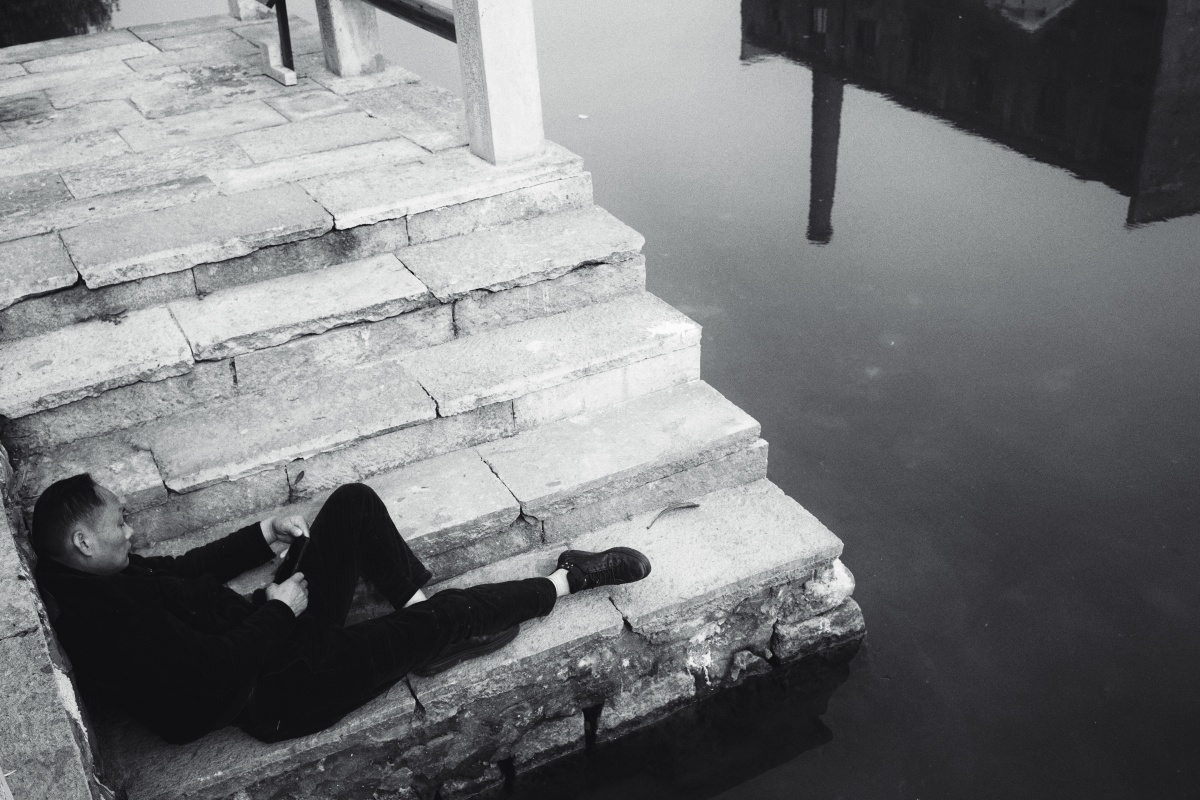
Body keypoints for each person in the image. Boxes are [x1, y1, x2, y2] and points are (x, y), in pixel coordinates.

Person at [30, 474, 651, 745]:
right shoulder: (107, 624)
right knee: (439, 621)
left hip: (271, 628)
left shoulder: (103, 575)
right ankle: (569, 580)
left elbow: (183, 570)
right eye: (120, 521)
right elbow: (211, 674)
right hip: (284, 690)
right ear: (82, 541)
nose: (131, 529)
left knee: (351, 503)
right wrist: (278, 610)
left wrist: (263, 534)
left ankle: (426, 626)